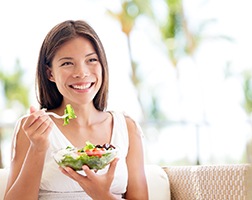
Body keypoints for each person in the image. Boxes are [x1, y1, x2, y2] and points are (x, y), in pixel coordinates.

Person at [4, 20, 148, 200]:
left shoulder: (127, 128)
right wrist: (38, 149)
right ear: (50, 74)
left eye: (91, 60)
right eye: (67, 63)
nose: (81, 72)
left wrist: (102, 195)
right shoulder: (32, 128)